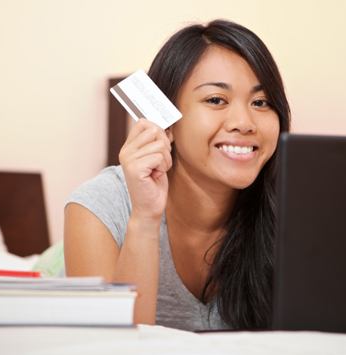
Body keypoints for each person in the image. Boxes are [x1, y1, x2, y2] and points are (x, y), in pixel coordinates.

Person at [64, 19, 291, 331]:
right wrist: (144, 219)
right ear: (166, 122)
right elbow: (109, 348)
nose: (244, 122)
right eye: (216, 100)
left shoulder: (291, 212)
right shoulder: (98, 208)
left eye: (260, 102)